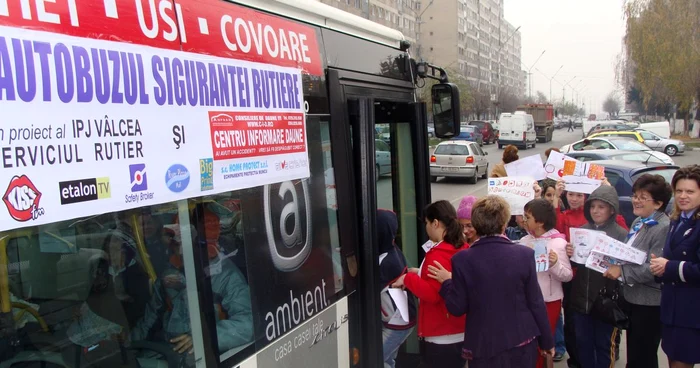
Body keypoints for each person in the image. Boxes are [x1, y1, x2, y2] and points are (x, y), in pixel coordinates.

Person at [428, 196, 554, 367]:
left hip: (483, 347)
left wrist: (446, 283)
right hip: (521, 342)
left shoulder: (462, 260)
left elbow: (456, 307)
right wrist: (547, 342)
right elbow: (536, 302)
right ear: (504, 224)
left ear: (476, 225)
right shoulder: (524, 255)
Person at [131, 210, 253, 360]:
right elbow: (149, 320)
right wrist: (128, 344)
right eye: (174, 239)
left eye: (181, 240)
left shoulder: (226, 276)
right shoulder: (170, 273)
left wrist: (205, 337)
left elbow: (247, 323)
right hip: (166, 350)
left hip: (204, 353)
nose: (176, 246)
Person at [602, 174, 671, 368]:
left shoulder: (662, 227)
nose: (636, 200)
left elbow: (654, 268)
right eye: (635, 195)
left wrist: (621, 272)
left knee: (644, 355)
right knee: (635, 353)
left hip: (649, 303)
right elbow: (629, 255)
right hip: (632, 298)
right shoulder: (639, 222)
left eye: (642, 197)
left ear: (658, 204)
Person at [392, 200, 467, 368]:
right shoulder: (461, 247)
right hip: (460, 329)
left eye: (426, 222)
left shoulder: (437, 254)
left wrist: (407, 279)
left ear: (435, 223)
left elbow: (432, 294)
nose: (425, 227)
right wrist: (419, 272)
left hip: (441, 332)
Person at [566, 185, 628, 368]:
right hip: (581, 299)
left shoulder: (621, 234)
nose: (596, 211)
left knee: (604, 346)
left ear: (612, 209)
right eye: (593, 207)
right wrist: (570, 253)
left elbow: (627, 269)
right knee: (583, 344)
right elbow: (576, 264)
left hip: (606, 301)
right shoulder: (582, 230)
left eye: (601, 207)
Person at [650, 165, 700, 367]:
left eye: (690, 191)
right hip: (672, 309)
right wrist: (659, 268)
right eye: (679, 191)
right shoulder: (677, 219)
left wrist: (669, 267)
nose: (683, 196)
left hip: (691, 313)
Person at [519, 199, 573, 368]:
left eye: (528, 217)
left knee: (543, 342)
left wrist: (554, 264)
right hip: (525, 301)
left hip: (549, 302)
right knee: (527, 342)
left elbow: (567, 276)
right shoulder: (524, 241)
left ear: (540, 222)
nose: (524, 220)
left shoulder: (558, 243)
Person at [377, 210, 417, 368]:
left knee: (377, 357)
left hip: (398, 324)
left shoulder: (388, 261)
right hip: (400, 319)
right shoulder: (390, 250)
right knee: (387, 360)